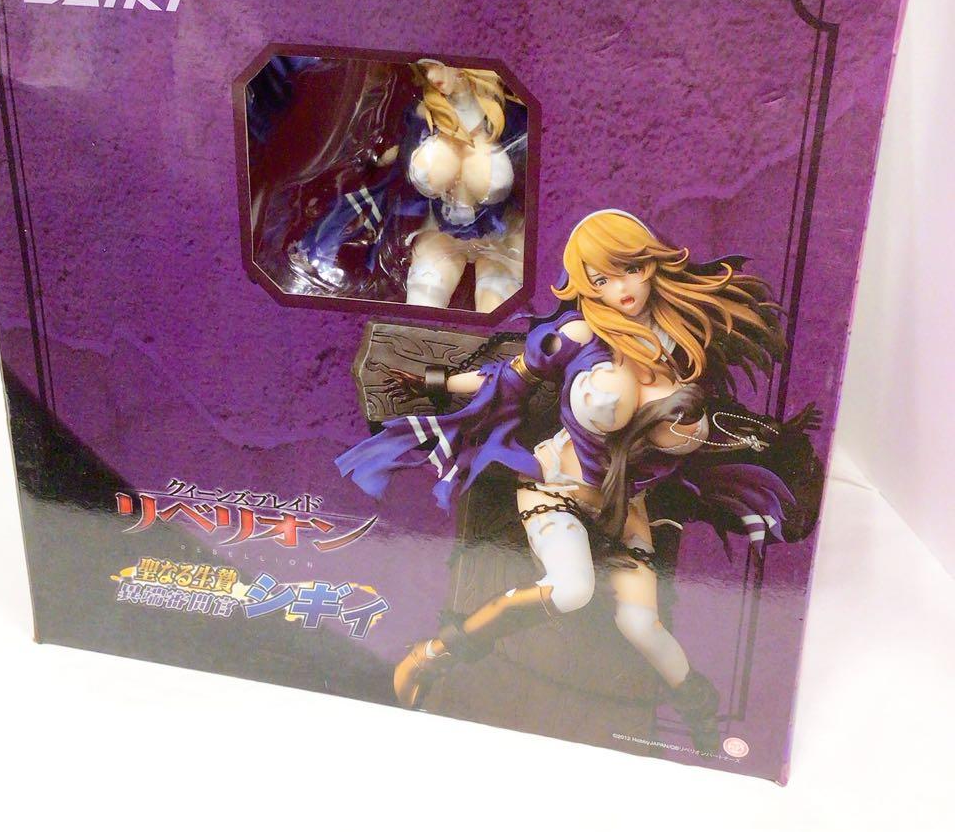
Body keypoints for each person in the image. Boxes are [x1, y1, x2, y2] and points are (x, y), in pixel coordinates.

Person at [337, 209, 807, 753]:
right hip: (557, 491)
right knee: (572, 590)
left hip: (627, 510)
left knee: (642, 627)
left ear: (652, 265)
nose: (621, 289)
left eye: (631, 269)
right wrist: (434, 381)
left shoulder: (681, 345)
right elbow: (505, 378)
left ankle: (706, 729)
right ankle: (433, 655)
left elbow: (696, 432)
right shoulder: (580, 335)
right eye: (601, 278)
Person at [294, 59, 527, 312]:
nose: (432, 76)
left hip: (502, 234)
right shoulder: (423, 117)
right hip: (441, 230)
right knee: (425, 297)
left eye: (440, 66)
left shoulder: (510, 118)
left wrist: (480, 140)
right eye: (426, 69)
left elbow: (530, 176)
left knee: (497, 306)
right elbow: (414, 169)